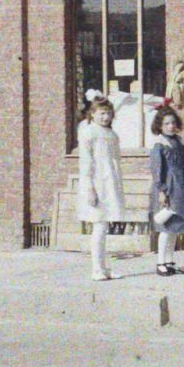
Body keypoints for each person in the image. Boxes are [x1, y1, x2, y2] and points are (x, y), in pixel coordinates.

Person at [77, 92, 127, 281]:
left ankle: (105, 268)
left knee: (104, 226)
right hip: (96, 184)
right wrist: (89, 187)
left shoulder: (111, 134)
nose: (105, 117)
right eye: (101, 113)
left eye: (108, 113)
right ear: (92, 114)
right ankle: (96, 269)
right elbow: (86, 163)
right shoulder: (89, 132)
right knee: (99, 226)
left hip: (109, 184)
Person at [148, 105, 184, 276]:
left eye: (173, 123)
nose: (171, 126)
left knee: (175, 226)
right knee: (166, 226)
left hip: (180, 186)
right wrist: (161, 190)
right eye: (166, 123)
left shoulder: (179, 141)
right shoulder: (159, 144)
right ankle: (160, 261)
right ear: (160, 126)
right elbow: (156, 169)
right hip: (168, 186)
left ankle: (169, 261)